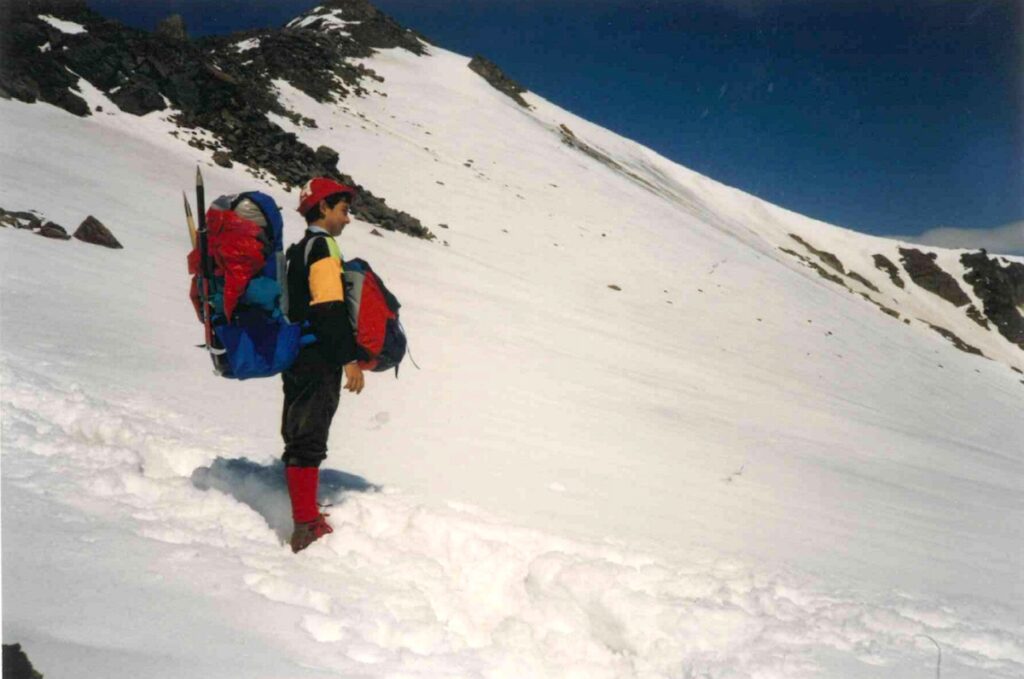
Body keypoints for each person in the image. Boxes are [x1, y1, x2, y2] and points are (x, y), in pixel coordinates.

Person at [281, 177, 365, 553]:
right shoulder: (324, 248)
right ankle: (305, 527)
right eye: (344, 211)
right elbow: (330, 307)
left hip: (296, 353)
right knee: (309, 437)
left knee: (299, 433)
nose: (347, 219)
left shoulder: (298, 249)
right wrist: (350, 359)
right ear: (324, 209)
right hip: (317, 356)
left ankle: (304, 513)